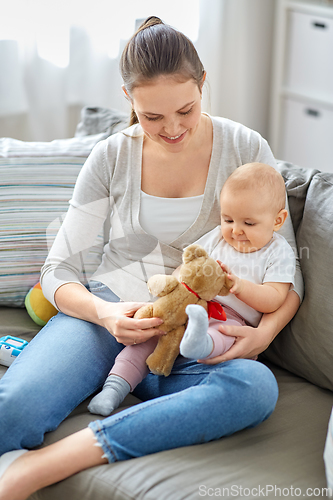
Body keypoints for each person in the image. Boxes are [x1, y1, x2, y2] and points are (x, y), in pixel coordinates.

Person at [0, 17, 303, 500]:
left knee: (254, 386)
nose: (173, 129)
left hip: (196, 340)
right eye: (152, 117)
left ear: (204, 84)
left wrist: (260, 337)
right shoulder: (110, 157)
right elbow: (57, 271)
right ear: (129, 99)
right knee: (11, 412)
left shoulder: (246, 147)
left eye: (185, 109)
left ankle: (59, 458)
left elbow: (290, 276)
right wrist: (104, 313)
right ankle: (96, 372)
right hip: (112, 319)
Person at [87, 162, 296, 417]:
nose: (236, 230)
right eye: (228, 219)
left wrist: (239, 287)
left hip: (230, 317)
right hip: (191, 304)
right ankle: (114, 388)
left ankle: (197, 344)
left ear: (278, 220)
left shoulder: (279, 252)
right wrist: (177, 288)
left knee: (225, 335)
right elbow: (187, 265)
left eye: (249, 223)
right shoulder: (218, 237)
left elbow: (274, 299)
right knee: (149, 338)